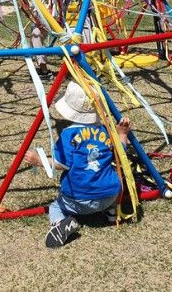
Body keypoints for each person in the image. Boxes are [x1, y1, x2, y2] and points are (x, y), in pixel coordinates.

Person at [24, 81, 131, 247]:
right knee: (113, 176)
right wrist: (122, 134)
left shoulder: (68, 134)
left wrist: (39, 161)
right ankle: (111, 213)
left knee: (55, 207)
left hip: (78, 200)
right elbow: (120, 153)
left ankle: (62, 224)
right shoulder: (107, 130)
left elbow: (60, 163)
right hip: (110, 195)